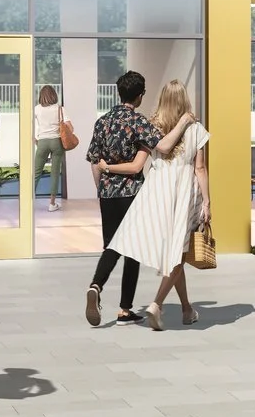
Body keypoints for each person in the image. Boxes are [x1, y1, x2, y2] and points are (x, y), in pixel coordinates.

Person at [110, 80, 211, 330]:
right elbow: (200, 168)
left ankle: (187, 310)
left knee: (176, 248)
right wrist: (207, 201)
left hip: (157, 190)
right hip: (184, 190)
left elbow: (148, 157)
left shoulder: (152, 124)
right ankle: (157, 304)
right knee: (178, 250)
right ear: (184, 100)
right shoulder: (196, 129)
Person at [84, 70, 163, 325]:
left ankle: (96, 286)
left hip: (107, 194)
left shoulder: (102, 121)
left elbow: (95, 161)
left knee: (112, 246)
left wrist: (102, 188)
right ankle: (125, 309)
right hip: (132, 194)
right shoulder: (138, 122)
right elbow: (160, 145)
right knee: (133, 249)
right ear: (139, 96)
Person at [33, 84, 67, 212]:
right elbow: (69, 125)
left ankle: (29, 202)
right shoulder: (59, 109)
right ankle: (52, 204)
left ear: (41, 96)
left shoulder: (37, 109)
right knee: (54, 172)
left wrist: (35, 139)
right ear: (54, 95)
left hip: (42, 141)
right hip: (56, 142)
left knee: (36, 172)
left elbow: (29, 124)